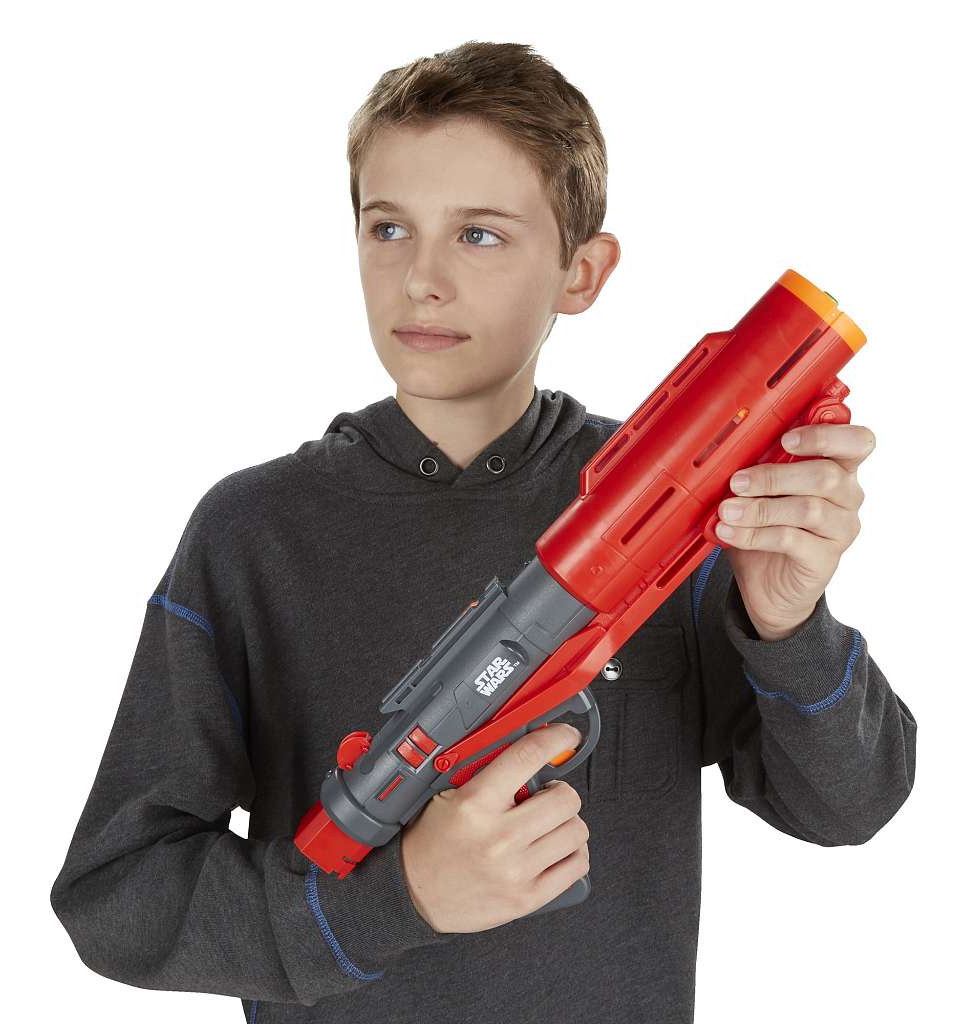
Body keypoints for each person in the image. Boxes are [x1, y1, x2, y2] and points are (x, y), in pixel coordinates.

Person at [49, 40, 917, 1024]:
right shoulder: (251, 532)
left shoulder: (681, 515)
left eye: (480, 235)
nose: (422, 277)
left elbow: (848, 806)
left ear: (581, 271)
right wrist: (393, 900)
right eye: (388, 228)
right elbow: (118, 900)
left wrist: (789, 624)